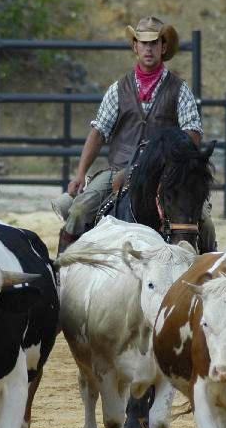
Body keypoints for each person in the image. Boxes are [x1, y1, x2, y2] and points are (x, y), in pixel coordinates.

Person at [53, 16, 215, 255]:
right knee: (79, 211)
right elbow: (98, 132)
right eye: (143, 43)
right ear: (135, 47)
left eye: (154, 43)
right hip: (119, 168)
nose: (148, 49)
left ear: (163, 47)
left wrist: (176, 165)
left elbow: (192, 132)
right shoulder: (118, 89)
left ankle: (205, 268)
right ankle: (60, 269)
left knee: (205, 222)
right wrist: (80, 175)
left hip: (165, 172)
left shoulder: (179, 89)